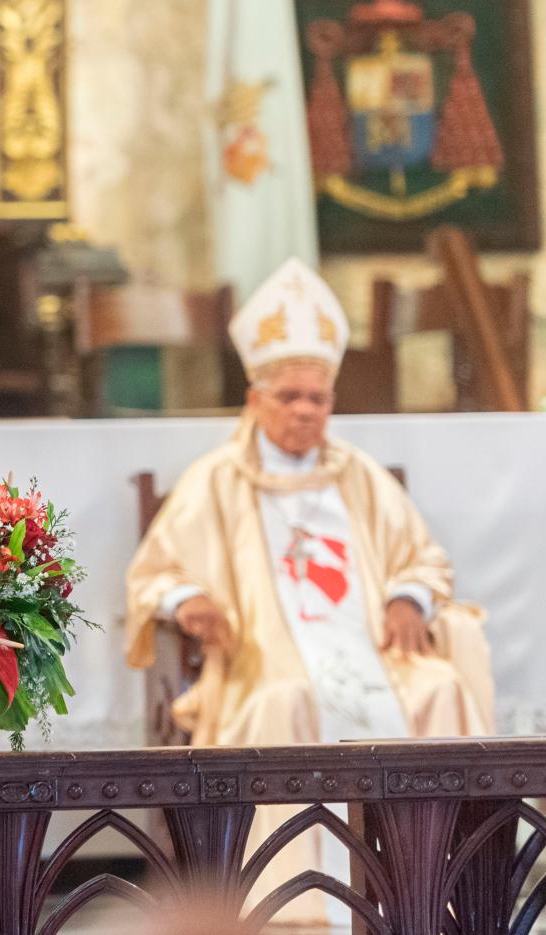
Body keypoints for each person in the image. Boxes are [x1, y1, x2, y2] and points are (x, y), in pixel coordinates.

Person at [126, 258, 492, 928]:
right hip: (269, 660)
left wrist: (410, 597)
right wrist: (188, 602)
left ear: (331, 402)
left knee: (442, 687)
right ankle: (297, 910)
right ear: (256, 398)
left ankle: (438, 892)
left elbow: (425, 557)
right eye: (287, 396)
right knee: (285, 702)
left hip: (375, 654)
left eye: (316, 398)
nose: (303, 410)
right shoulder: (217, 480)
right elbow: (154, 573)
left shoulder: (359, 476)